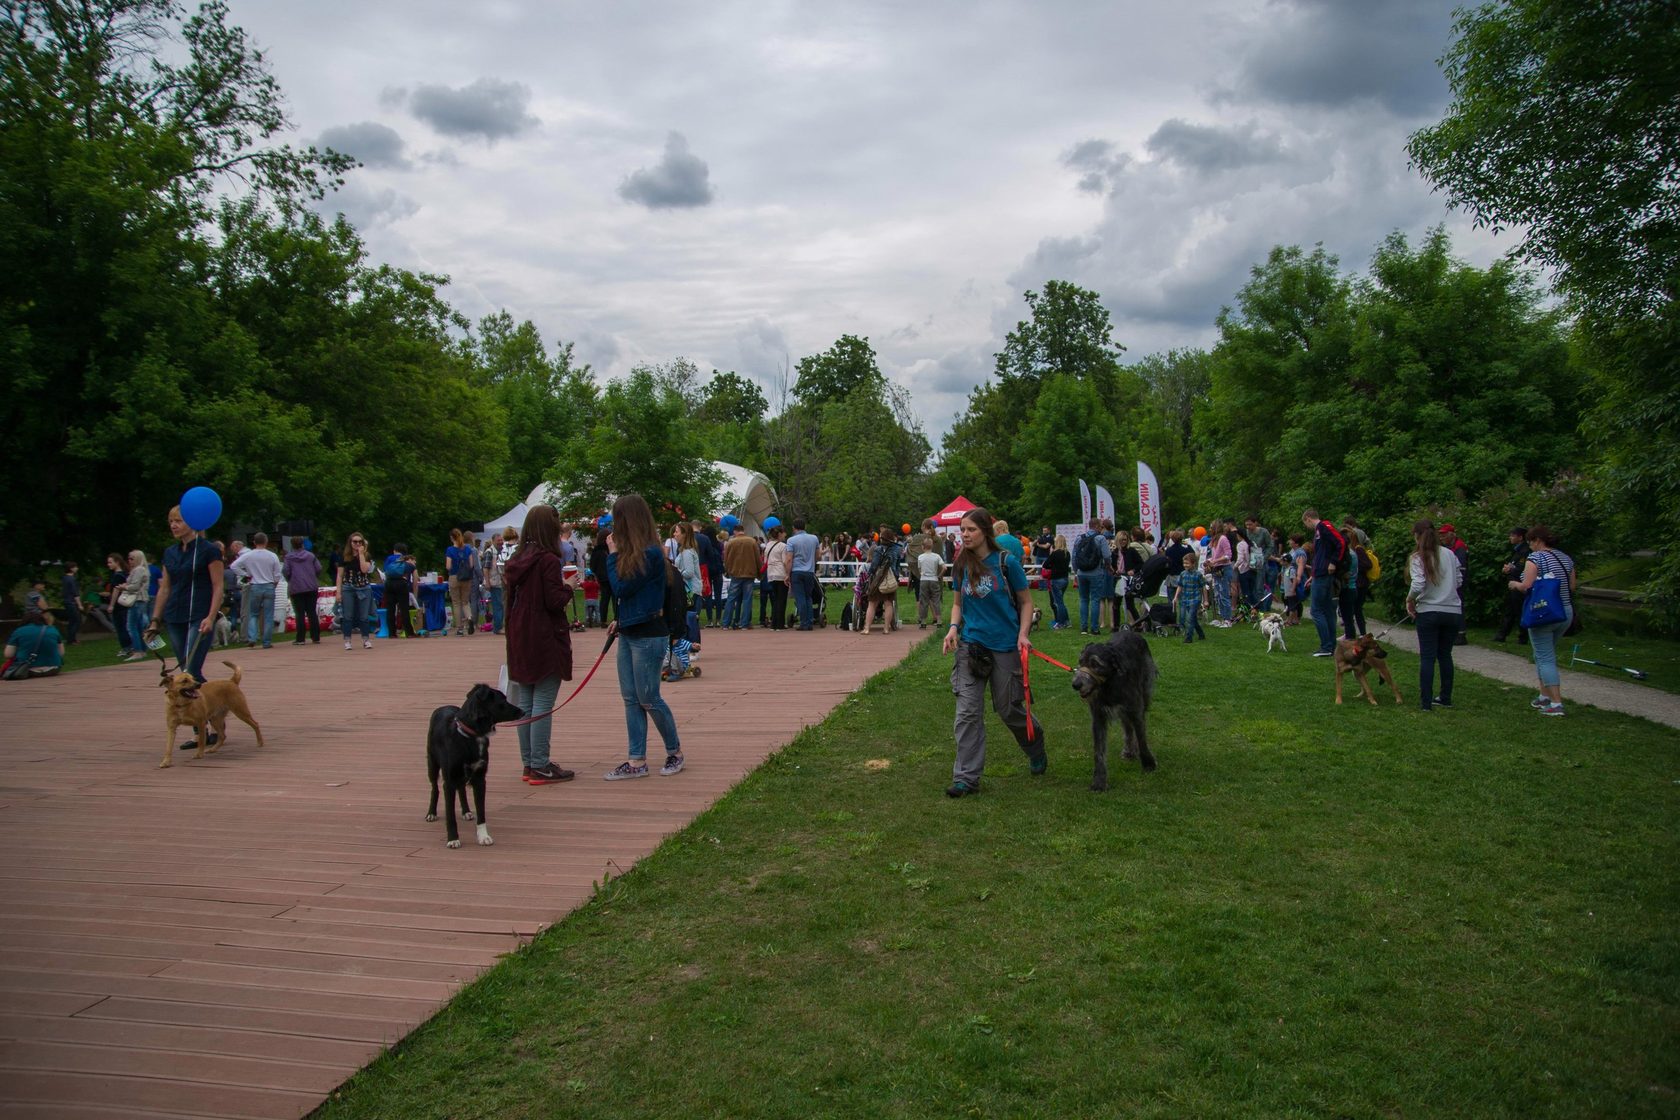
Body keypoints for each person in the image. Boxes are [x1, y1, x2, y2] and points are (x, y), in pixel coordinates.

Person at [941, 507, 1042, 797]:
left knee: (1010, 710)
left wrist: (1023, 634)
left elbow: (1025, 602)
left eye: (970, 529)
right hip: (971, 646)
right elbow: (958, 603)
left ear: (985, 530)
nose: (964, 535)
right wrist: (952, 628)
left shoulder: (1006, 563)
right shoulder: (961, 563)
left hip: (1005, 645)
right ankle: (965, 778)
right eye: (962, 530)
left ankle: (1035, 747)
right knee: (967, 712)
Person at [604, 493, 683, 780]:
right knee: (630, 698)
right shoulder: (634, 554)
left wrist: (612, 556)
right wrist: (620, 620)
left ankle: (674, 751)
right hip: (629, 631)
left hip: (649, 634)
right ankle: (636, 760)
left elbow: (622, 588)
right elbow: (627, 593)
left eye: (618, 520)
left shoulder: (650, 553)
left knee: (648, 696)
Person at [502, 504, 580, 785]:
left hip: (520, 634)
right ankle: (540, 764)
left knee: (526, 701)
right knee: (543, 702)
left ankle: (529, 762)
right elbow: (554, 601)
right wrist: (569, 586)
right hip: (545, 635)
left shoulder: (518, 558)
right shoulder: (547, 560)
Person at [146, 505, 224, 683]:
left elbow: (218, 586)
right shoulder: (170, 552)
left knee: (191, 669)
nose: (173, 525)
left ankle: (203, 708)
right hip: (174, 616)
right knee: (186, 672)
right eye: (171, 522)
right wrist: (155, 620)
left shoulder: (209, 550)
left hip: (199, 614)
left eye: (178, 521)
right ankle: (205, 705)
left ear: (193, 521)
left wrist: (211, 617)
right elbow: (165, 588)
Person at [1509, 524, 1576, 718]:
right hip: (1565, 611)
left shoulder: (1536, 558)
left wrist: (1515, 584)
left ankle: (1556, 702)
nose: (1529, 546)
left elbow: (1527, 586)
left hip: (1543, 612)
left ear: (1537, 540)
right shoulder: (1566, 558)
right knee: (1543, 653)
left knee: (1545, 657)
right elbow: (1572, 586)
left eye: (1530, 542)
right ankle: (1543, 696)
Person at [1406, 521, 1464, 711]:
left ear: (1417, 535)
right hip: (1452, 610)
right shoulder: (1450, 554)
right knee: (1445, 655)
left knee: (1428, 657)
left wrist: (1410, 600)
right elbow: (1459, 580)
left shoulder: (1418, 557)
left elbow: (1418, 584)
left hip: (1430, 610)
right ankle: (1445, 697)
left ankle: (1426, 702)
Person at [1302, 509, 1347, 656]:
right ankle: (1331, 645)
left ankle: (1326, 646)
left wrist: (1334, 562)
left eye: (1305, 523)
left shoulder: (1323, 527)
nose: (1307, 526)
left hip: (1324, 574)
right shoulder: (1318, 532)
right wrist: (1312, 575)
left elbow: (1340, 542)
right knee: (1327, 610)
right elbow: (1321, 554)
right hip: (1319, 574)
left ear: (1308, 519)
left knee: (1316, 610)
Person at [229, 533, 282, 649]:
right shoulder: (272, 556)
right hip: (269, 585)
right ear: (266, 542)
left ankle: (252, 637)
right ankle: (266, 641)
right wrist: (274, 584)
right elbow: (277, 574)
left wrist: (247, 575)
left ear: (254, 542)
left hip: (255, 585)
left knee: (253, 614)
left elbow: (233, 566)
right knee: (268, 615)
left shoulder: (248, 555)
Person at [336, 531, 376, 650]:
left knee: (363, 616)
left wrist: (361, 554)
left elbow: (364, 570)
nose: (357, 543)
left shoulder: (367, 555)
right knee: (348, 615)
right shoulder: (344, 556)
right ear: (350, 543)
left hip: (363, 587)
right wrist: (338, 592)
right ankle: (347, 640)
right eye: (355, 541)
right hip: (348, 587)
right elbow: (339, 575)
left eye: (360, 541)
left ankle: (366, 639)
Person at [1494, 526, 1531, 645]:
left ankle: (1523, 636)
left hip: (1519, 584)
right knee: (1510, 610)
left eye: (1513, 535)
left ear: (1520, 537)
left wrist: (1510, 570)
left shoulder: (1525, 551)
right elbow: (1513, 565)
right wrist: (1507, 568)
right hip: (1512, 584)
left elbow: (1522, 568)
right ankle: (1502, 634)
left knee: (1519, 610)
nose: (1510, 538)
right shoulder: (1517, 550)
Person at [860, 527, 900, 635]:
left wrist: (869, 575)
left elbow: (874, 566)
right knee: (888, 604)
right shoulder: (897, 550)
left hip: (878, 579)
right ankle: (886, 628)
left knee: (872, 604)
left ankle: (867, 628)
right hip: (890, 579)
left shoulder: (878, 549)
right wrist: (896, 577)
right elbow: (897, 566)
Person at [1072, 518, 1109, 635]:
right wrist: (1109, 566)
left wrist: (1075, 571)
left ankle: (1083, 628)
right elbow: (1107, 556)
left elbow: (1074, 556)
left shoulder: (1079, 538)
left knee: (1083, 599)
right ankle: (1094, 628)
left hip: (1082, 573)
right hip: (1096, 572)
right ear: (1097, 526)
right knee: (1095, 600)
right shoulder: (1100, 538)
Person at [283, 537, 322, 645]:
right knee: (311, 612)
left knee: (299, 613)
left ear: (292, 545)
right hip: (311, 586)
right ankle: (316, 636)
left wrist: (290, 579)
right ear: (302, 544)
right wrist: (313, 576)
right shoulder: (310, 556)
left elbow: (286, 571)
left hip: (296, 588)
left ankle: (300, 638)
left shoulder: (288, 557)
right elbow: (318, 568)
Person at [3, 609, 64, 678]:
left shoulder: (19, 631)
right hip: (53, 669)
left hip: (26, 670)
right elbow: (61, 653)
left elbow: (8, 654)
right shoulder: (53, 629)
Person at [722, 522, 759, 630]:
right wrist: (759, 572)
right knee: (747, 599)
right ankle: (744, 623)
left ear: (735, 531)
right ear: (744, 531)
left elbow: (726, 559)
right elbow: (757, 558)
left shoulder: (731, 542)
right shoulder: (752, 541)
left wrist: (728, 570)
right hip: (749, 573)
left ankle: (725, 623)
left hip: (735, 573)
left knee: (731, 599)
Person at [786, 518, 820, 631]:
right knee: (808, 597)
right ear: (805, 526)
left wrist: (787, 574)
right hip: (809, 571)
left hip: (796, 571)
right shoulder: (814, 538)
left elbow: (789, 559)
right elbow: (817, 556)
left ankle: (804, 622)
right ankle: (809, 622)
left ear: (794, 528)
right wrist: (812, 564)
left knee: (800, 598)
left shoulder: (791, 540)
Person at [382, 543, 419, 639]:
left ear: (395, 550)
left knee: (390, 609)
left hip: (389, 584)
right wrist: (414, 594)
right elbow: (415, 580)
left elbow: (385, 572)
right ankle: (409, 632)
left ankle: (392, 633)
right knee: (404, 609)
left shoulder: (390, 559)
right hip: (402, 585)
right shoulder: (410, 564)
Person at [445, 528, 475, 637]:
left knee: (456, 602)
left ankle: (459, 628)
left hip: (454, 576)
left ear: (452, 538)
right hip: (466, 577)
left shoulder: (450, 550)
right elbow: (471, 565)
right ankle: (470, 617)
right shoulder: (467, 549)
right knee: (465, 602)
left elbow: (448, 566)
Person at [122, 550, 151, 660]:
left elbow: (135, 586)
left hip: (136, 599)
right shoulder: (142, 569)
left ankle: (138, 650)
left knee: (131, 626)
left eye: (132, 559)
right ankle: (142, 650)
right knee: (139, 626)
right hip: (141, 599)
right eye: (128, 558)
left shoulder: (139, 570)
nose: (129, 561)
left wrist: (124, 587)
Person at [103, 554, 133, 657]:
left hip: (119, 604)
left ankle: (126, 647)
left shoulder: (117, 575)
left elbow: (115, 591)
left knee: (121, 627)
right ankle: (132, 645)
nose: (108, 564)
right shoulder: (125, 574)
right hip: (125, 603)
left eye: (110, 562)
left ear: (117, 562)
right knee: (126, 625)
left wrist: (111, 605)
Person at [1177, 551, 1209, 642]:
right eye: (1184, 563)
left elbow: (1203, 587)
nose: (1185, 565)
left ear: (1193, 563)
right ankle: (1201, 634)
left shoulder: (1198, 574)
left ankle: (1188, 637)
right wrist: (1176, 597)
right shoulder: (1183, 574)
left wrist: (1206, 600)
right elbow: (1180, 586)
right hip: (1185, 598)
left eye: (1187, 563)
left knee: (1190, 618)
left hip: (1195, 599)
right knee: (1193, 619)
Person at [673, 521, 704, 615]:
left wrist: (675, 572)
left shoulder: (687, 552)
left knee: (690, 621)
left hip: (691, 591)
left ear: (684, 534)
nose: (674, 534)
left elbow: (689, 573)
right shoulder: (686, 550)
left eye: (676, 531)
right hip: (691, 590)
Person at [763, 525, 790, 630]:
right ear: (780, 534)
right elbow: (785, 561)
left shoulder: (768, 545)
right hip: (781, 574)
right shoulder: (783, 546)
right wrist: (788, 573)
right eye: (784, 533)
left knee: (775, 600)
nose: (785, 535)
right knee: (781, 600)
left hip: (771, 574)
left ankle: (774, 623)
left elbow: (765, 561)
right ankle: (780, 624)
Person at [916, 536, 946, 628]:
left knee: (924, 601)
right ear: (932, 546)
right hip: (934, 579)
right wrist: (939, 575)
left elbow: (919, 569)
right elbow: (944, 567)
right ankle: (939, 620)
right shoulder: (936, 556)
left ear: (923, 546)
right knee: (936, 600)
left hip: (924, 580)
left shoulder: (920, 557)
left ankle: (923, 621)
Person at [481, 532, 506, 635]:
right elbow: (486, 569)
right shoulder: (489, 552)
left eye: (501, 540)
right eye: (498, 540)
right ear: (493, 541)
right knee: (498, 605)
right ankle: (498, 627)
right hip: (494, 582)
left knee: (500, 604)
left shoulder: (501, 551)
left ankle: (499, 626)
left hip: (500, 582)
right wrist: (487, 582)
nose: (501, 542)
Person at [1044, 534, 1070, 629]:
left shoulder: (1055, 553)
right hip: (1065, 579)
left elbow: (1046, 565)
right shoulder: (1067, 553)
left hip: (1056, 579)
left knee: (1058, 603)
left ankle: (1060, 622)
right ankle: (1066, 621)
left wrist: (1051, 554)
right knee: (1061, 601)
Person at [59, 562, 82, 645]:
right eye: (75, 567)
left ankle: (71, 638)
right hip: (71, 602)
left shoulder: (65, 578)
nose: (77, 568)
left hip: (67, 602)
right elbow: (75, 593)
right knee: (76, 621)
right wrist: (79, 605)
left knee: (72, 621)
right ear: (71, 568)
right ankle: (71, 639)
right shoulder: (71, 579)